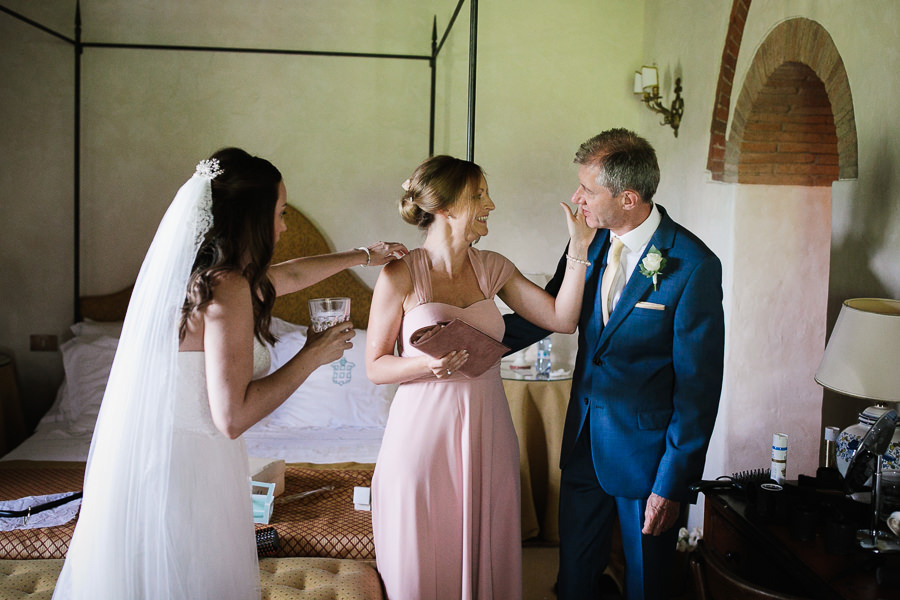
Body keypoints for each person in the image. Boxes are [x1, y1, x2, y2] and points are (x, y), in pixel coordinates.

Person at [52, 147, 407, 600]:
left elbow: (292, 274)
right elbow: (233, 417)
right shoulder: (229, 290)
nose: (284, 225)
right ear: (251, 217)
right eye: (279, 213)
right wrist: (312, 355)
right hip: (188, 473)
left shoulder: (206, 278)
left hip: (165, 459)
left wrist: (363, 255)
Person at [503, 129, 725, 600]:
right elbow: (549, 312)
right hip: (583, 443)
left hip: (646, 461)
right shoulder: (590, 244)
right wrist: (473, 337)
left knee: (648, 583)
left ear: (628, 198)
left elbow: (698, 389)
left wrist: (672, 482)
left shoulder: (693, 265)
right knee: (574, 579)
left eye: (588, 189)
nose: (575, 197)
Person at [365, 155, 595, 599]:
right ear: (446, 207)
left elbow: (563, 320)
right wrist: (425, 366)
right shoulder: (399, 274)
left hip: (488, 432)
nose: (491, 204)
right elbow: (376, 366)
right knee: (423, 556)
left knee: (485, 546)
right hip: (420, 437)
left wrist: (580, 247)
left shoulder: (494, 267)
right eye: (479, 195)